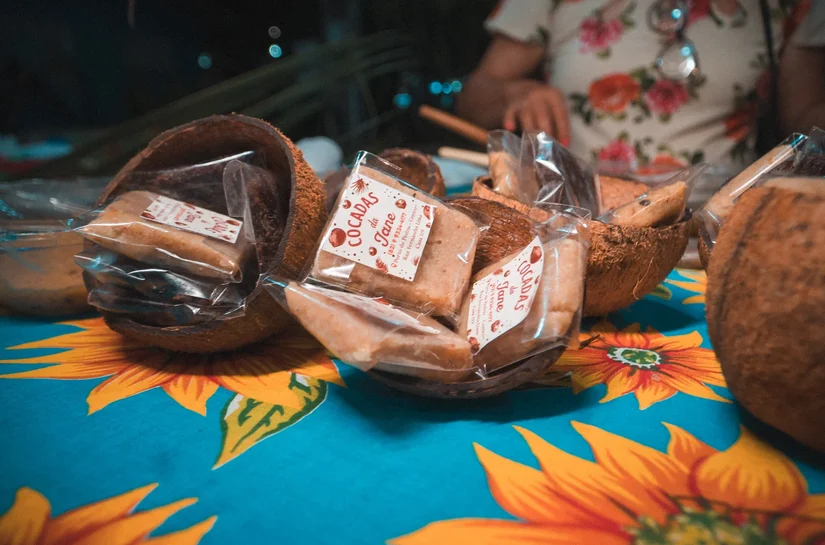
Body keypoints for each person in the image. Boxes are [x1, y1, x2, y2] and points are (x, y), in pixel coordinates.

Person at [457, 0, 825, 175]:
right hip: (580, 217)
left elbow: (806, 121)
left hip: (717, 225)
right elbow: (474, 97)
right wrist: (515, 92)